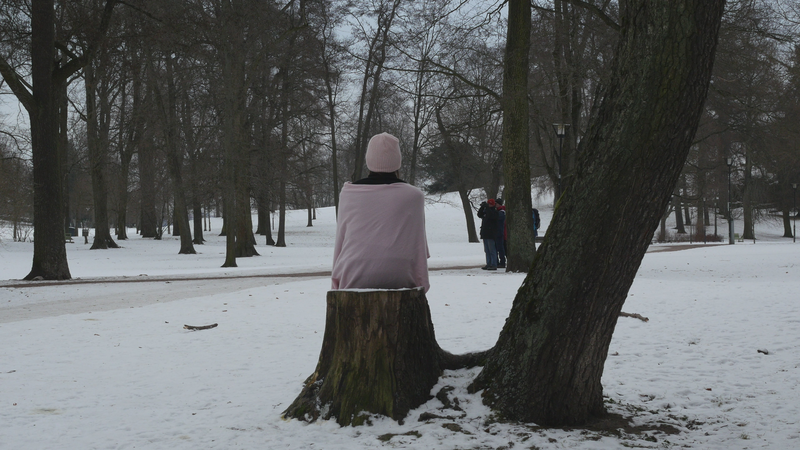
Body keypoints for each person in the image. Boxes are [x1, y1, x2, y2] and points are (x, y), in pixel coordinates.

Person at [331, 132, 430, 292]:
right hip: (401, 273)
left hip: (353, 271)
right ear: (397, 161)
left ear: (369, 159)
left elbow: (341, 240)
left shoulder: (349, 193)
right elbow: (418, 246)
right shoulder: (414, 196)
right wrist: (421, 282)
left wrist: (336, 283)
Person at [477, 198, 499, 270]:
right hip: (485, 233)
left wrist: (487, 208)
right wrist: (482, 207)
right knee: (487, 250)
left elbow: (491, 216)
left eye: (490, 204)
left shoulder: (495, 212)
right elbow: (479, 214)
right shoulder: (486, 211)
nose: (488, 205)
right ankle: (488, 263)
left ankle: (493, 264)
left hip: (491, 234)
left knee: (492, 250)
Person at [495, 198, 506, 268]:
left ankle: (502, 262)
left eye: (496, 203)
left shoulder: (501, 212)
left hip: (499, 232)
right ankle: (499, 262)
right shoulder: (499, 211)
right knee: (498, 248)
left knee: (500, 248)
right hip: (498, 232)